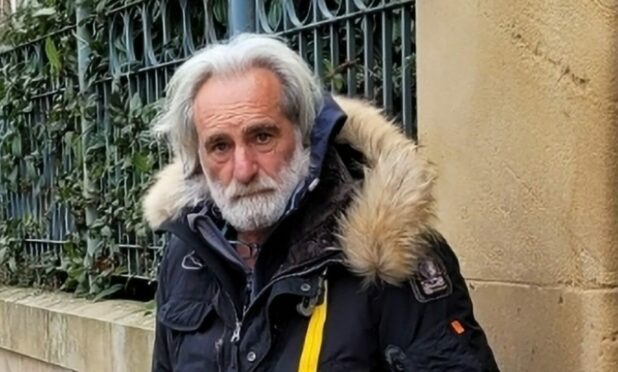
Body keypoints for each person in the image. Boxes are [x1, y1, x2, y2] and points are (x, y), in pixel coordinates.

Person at [144, 33, 499, 372]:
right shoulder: (187, 253)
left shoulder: (390, 252)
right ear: (197, 157)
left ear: (304, 135)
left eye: (262, 136)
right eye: (220, 146)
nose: (243, 169)